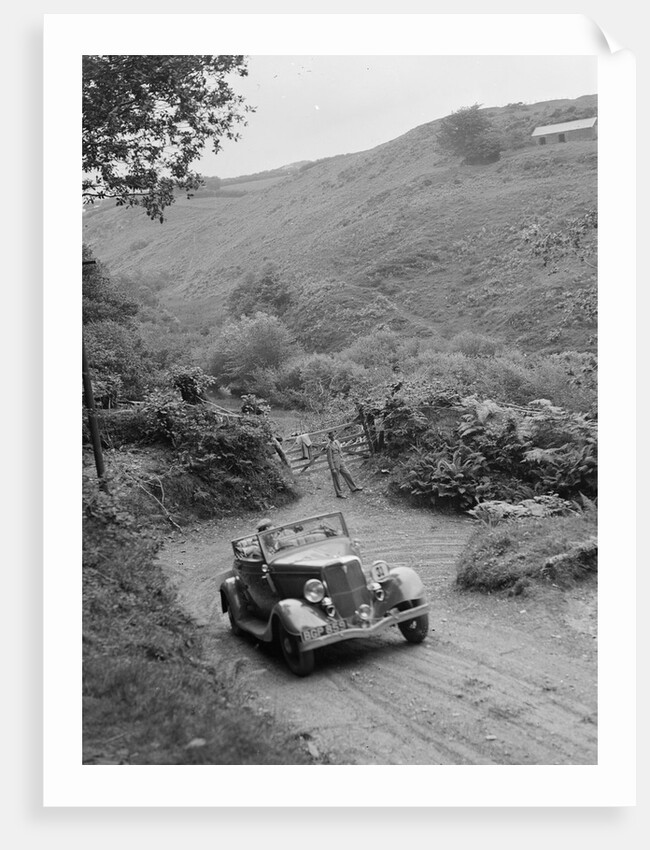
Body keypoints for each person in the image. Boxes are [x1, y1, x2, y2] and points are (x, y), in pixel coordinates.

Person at [325, 431, 363, 499]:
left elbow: (340, 451)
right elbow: (329, 458)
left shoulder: (337, 442)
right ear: (329, 437)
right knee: (336, 479)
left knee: (347, 473)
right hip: (335, 464)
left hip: (341, 462)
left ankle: (353, 488)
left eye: (334, 435)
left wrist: (342, 459)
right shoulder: (328, 446)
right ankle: (339, 493)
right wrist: (332, 468)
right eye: (332, 436)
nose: (333, 437)